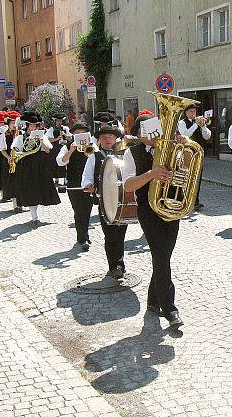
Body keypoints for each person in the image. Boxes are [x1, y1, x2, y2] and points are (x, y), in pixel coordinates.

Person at [122, 111, 184, 329]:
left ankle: (152, 301)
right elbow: (128, 185)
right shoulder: (132, 153)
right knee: (161, 255)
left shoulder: (171, 148)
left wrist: (183, 149)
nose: (156, 133)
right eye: (149, 129)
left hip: (172, 207)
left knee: (163, 256)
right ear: (139, 134)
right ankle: (170, 310)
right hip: (149, 210)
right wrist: (150, 174)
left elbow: (185, 171)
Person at [81, 123, 128, 278]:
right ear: (99, 140)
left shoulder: (124, 154)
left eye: (111, 137)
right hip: (103, 201)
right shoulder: (94, 156)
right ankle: (114, 265)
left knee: (121, 233)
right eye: (104, 137)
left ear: (115, 138)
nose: (108, 139)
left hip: (122, 200)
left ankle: (119, 264)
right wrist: (88, 184)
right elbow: (86, 176)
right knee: (110, 234)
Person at [11, 111, 60, 225]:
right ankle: (35, 217)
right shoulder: (20, 137)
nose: (33, 127)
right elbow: (15, 149)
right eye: (31, 125)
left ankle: (35, 215)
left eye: (35, 125)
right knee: (31, 189)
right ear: (27, 125)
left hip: (40, 165)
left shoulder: (42, 136)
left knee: (40, 188)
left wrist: (42, 141)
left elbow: (48, 150)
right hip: (27, 165)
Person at [57, 122, 94, 252]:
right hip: (73, 182)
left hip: (88, 183)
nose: (79, 135)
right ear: (73, 135)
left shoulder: (91, 145)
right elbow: (61, 161)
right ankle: (82, 237)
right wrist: (71, 150)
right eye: (77, 133)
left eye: (82, 133)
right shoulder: (67, 146)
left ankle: (84, 234)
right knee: (78, 210)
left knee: (87, 210)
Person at [178, 103, 211, 211]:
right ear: (186, 112)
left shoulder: (198, 123)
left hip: (198, 154)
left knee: (197, 178)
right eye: (191, 111)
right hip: (187, 154)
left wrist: (203, 126)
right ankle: (184, 200)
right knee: (187, 177)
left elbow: (207, 136)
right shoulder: (182, 123)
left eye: (195, 112)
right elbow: (185, 134)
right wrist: (196, 124)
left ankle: (195, 201)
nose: (194, 114)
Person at [0, 111, 23, 212]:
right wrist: (8, 157)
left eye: (15, 123)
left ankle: (21, 202)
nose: (14, 125)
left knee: (21, 181)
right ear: (8, 124)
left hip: (20, 161)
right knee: (12, 182)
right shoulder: (4, 135)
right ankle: (15, 205)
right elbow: (2, 150)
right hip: (9, 161)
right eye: (12, 123)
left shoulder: (21, 134)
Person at [46, 113, 70, 186]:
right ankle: (56, 180)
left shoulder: (65, 128)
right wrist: (57, 139)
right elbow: (48, 139)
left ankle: (65, 180)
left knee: (65, 162)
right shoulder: (51, 129)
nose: (59, 122)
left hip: (64, 147)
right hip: (55, 148)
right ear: (55, 121)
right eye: (58, 121)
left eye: (61, 121)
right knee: (54, 163)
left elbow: (70, 138)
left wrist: (65, 135)